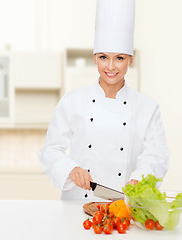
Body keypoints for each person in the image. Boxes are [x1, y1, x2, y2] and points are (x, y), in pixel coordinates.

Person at [39, 0, 169, 200]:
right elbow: (51, 150)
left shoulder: (147, 108)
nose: (110, 67)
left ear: (130, 61)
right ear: (94, 58)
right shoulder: (72, 101)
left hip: (123, 206)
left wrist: (139, 180)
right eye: (103, 57)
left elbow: (156, 155)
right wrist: (71, 169)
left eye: (119, 58)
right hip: (77, 206)